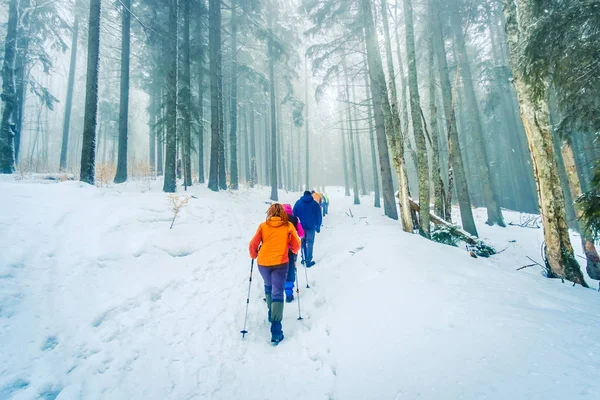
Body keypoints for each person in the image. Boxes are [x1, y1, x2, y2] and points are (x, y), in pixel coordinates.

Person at [249, 204, 301, 344]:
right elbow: (296, 243)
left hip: (263, 263)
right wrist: (294, 251)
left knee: (268, 286)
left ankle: (271, 312)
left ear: (270, 212)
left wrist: (254, 254)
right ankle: (276, 330)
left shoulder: (263, 226)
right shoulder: (288, 226)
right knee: (277, 292)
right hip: (280, 262)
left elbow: (253, 244)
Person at [293, 191, 322, 268]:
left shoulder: (298, 203)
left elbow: (293, 214)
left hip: (301, 227)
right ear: (310, 195)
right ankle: (308, 261)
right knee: (310, 243)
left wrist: (296, 225)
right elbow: (319, 215)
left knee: (302, 242)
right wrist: (318, 226)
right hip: (311, 227)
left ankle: (303, 258)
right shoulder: (315, 204)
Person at [283, 204, 304, 303]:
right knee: (290, 270)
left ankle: (273, 293)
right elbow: (301, 233)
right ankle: (288, 294)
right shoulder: (294, 219)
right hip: (291, 249)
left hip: (277, 250)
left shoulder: (276, 219)